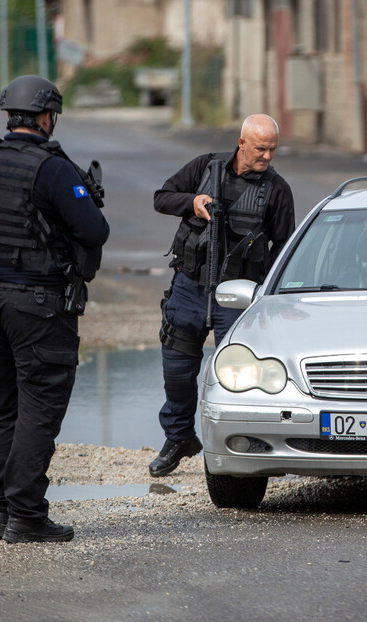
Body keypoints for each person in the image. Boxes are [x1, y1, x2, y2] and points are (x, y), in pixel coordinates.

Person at [0, 75, 110, 541]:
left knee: (5, 404)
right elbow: (95, 231)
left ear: (11, 115)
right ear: (46, 117)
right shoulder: (53, 168)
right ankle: (26, 514)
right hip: (38, 305)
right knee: (39, 406)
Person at [150, 114, 295, 477]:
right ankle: (179, 437)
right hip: (191, 285)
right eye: (260, 148)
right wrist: (192, 202)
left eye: (272, 150)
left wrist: (267, 296)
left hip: (239, 295)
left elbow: (284, 249)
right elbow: (161, 198)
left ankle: (245, 445)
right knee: (177, 369)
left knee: (240, 372)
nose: (267, 156)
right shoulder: (205, 167)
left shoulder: (277, 190)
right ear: (242, 143)